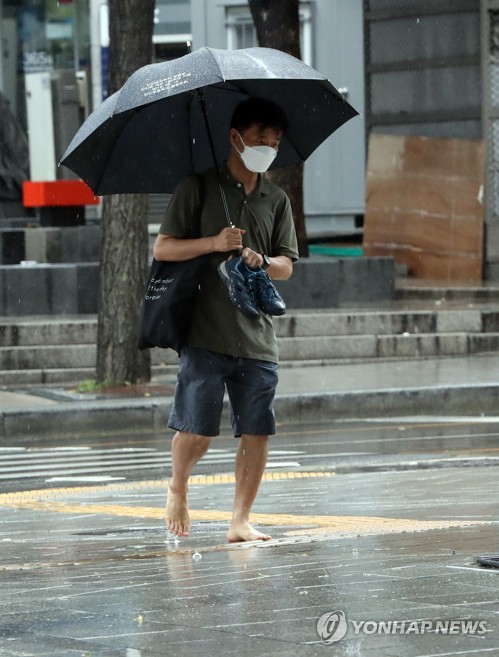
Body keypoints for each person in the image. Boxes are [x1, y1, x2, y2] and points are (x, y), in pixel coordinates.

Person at [153, 97, 299, 543]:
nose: (268, 149)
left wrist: (261, 260)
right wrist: (213, 242)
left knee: (257, 430)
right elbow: (163, 249)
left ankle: (240, 519)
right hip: (204, 330)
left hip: (256, 335)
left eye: (274, 143)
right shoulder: (197, 188)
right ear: (235, 138)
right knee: (196, 431)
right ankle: (178, 486)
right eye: (260, 140)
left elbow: (287, 266)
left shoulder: (276, 199)